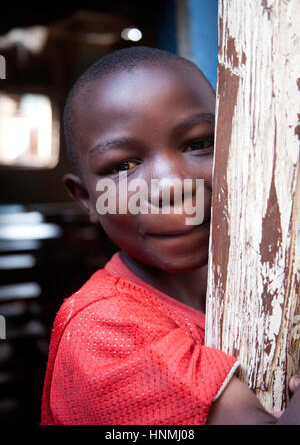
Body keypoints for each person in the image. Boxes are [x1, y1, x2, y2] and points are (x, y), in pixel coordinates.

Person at [41, 46, 299, 425]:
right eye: (123, 165)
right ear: (87, 199)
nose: (172, 187)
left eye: (198, 143)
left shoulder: (274, 271)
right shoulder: (102, 329)